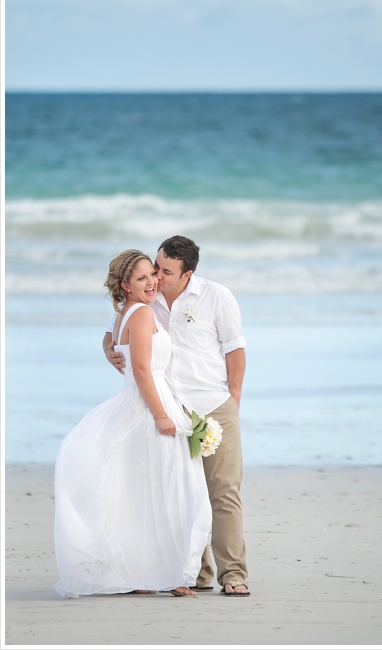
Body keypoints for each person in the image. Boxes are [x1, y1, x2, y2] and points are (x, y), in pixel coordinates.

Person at [54, 250, 212, 598]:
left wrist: (108, 348)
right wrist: (160, 415)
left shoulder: (125, 313)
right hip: (147, 406)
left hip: (138, 403)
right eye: (141, 278)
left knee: (144, 493)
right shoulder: (140, 313)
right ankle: (167, 574)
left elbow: (111, 340)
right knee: (169, 491)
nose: (152, 281)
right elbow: (141, 370)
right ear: (125, 285)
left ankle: (147, 575)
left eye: (152, 274)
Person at [103, 236, 250, 596]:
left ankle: (232, 574)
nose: (157, 277)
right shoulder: (145, 301)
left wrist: (233, 399)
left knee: (223, 492)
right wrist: (108, 351)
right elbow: (112, 334)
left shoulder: (217, 296)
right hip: (169, 409)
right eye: (155, 268)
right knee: (181, 493)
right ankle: (194, 573)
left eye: (166, 272)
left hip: (213, 404)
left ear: (188, 274)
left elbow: (235, 349)